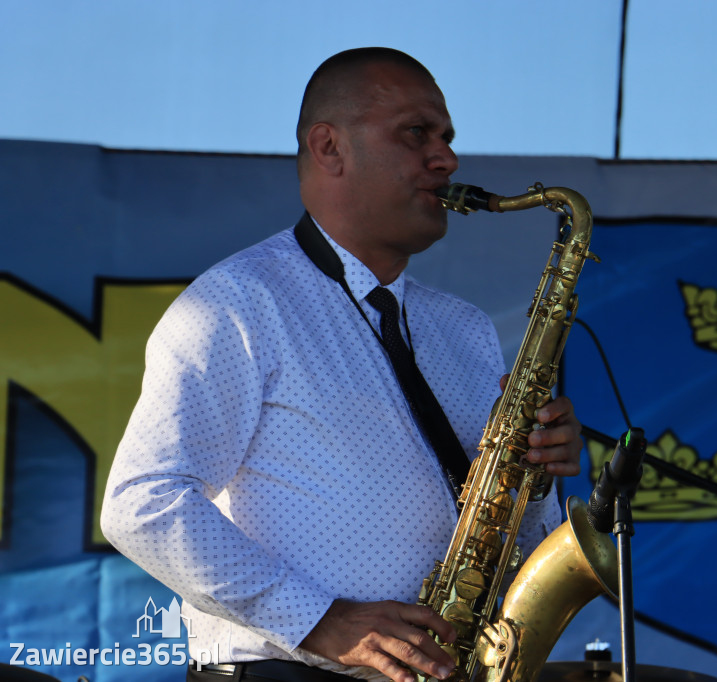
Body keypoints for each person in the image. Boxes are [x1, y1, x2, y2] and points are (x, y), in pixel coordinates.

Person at [101, 47, 583, 682]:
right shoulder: (239, 300)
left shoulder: (464, 329)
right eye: (417, 133)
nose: (446, 158)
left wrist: (535, 479)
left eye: (447, 138)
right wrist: (321, 622)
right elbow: (143, 502)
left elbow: (510, 544)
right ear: (329, 147)